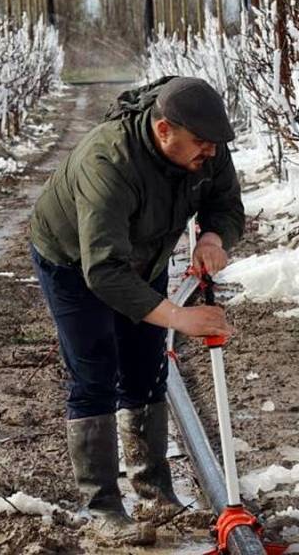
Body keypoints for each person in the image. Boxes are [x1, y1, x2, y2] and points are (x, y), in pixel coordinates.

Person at [29, 75, 245, 545]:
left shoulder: (205, 142)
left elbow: (225, 203)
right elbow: (102, 271)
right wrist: (178, 317)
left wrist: (212, 236)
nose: (209, 153)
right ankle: (104, 505)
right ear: (164, 130)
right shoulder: (108, 162)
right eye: (200, 145)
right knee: (96, 372)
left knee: (146, 367)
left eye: (213, 145)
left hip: (144, 256)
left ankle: (154, 490)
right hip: (75, 263)